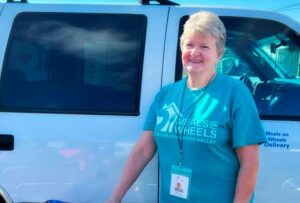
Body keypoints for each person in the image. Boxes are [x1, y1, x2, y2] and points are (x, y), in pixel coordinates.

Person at [106, 11, 266, 203]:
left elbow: (249, 162)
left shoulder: (236, 93)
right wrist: (114, 198)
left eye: (204, 46)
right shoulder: (165, 95)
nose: (195, 52)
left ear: (219, 54)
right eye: (189, 45)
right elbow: (142, 152)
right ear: (182, 49)